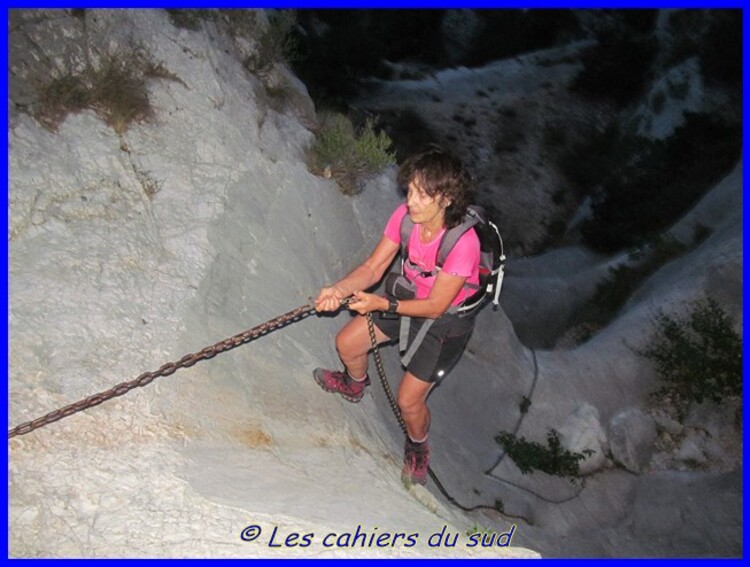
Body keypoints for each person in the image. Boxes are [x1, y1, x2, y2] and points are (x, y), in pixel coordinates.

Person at [313, 146, 480, 486]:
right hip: (406, 298)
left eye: (422, 194)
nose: (411, 201)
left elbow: (435, 307)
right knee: (346, 344)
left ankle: (418, 446)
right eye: (410, 190)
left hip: (444, 322)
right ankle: (355, 385)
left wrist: (381, 305)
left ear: (447, 198)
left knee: (409, 401)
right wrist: (339, 289)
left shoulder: (464, 245)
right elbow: (374, 267)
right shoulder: (405, 218)